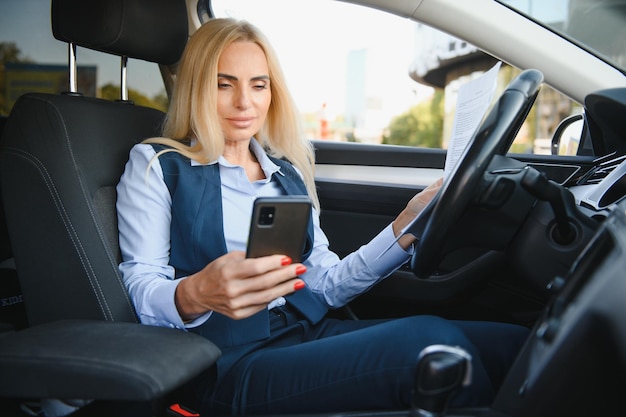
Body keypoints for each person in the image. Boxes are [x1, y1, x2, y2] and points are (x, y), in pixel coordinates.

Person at [116, 17, 528, 416]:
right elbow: (139, 283)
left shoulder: (286, 173)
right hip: (225, 362)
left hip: (304, 331)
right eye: (224, 84)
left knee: (513, 345)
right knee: (435, 345)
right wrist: (194, 293)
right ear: (197, 88)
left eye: (259, 85)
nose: (245, 102)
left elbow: (325, 285)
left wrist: (405, 226)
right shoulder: (158, 165)